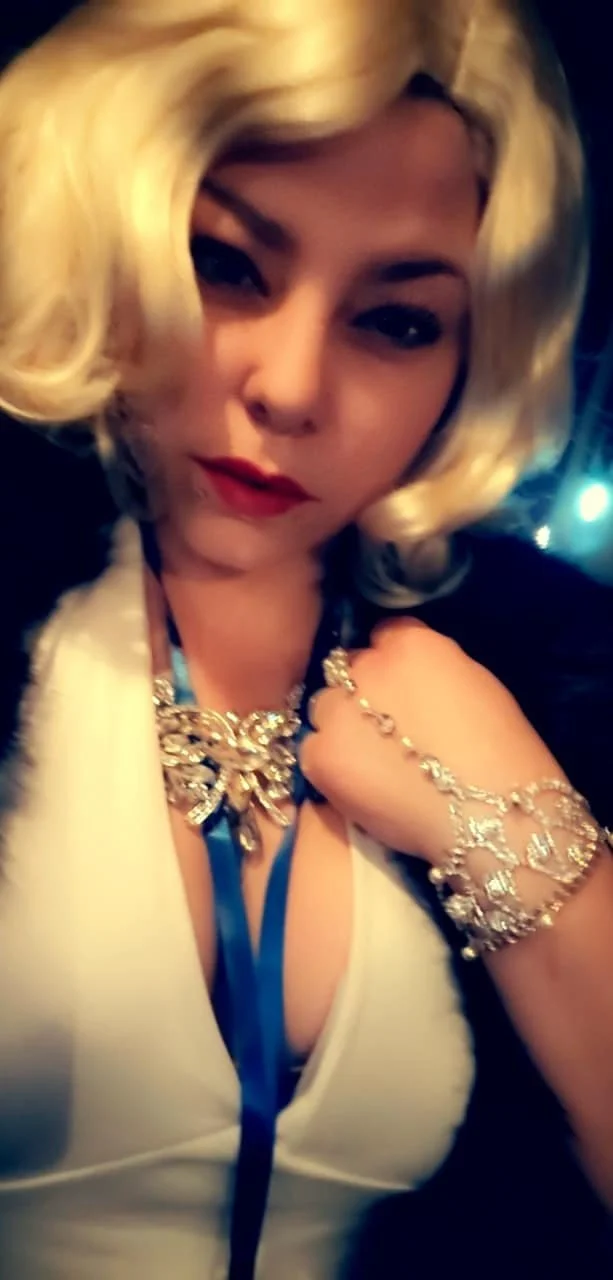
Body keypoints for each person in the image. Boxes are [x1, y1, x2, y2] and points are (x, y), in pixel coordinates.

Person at [0, 0, 611, 1276]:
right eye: (227, 264)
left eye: (396, 320)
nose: (288, 387)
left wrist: (522, 832)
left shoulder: (535, 682)